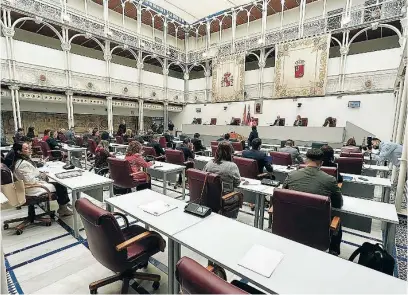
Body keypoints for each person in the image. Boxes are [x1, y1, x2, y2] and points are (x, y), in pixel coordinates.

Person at [282, 148, 343, 255]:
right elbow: (338, 204)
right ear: (321, 163)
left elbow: (283, 195)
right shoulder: (330, 180)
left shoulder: (291, 175)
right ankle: (334, 253)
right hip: (317, 231)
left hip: (291, 224)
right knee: (338, 220)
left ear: (306, 160)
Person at [12, 142, 72, 216]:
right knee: (60, 185)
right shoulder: (23, 164)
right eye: (26, 149)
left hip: (26, 186)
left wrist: (40, 174)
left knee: (55, 182)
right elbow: (31, 181)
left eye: (29, 147)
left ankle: (63, 206)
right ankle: (63, 209)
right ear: (19, 151)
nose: (30, 150)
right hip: (31, 188)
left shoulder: (19, 161)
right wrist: (41, 177)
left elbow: (29, 175)